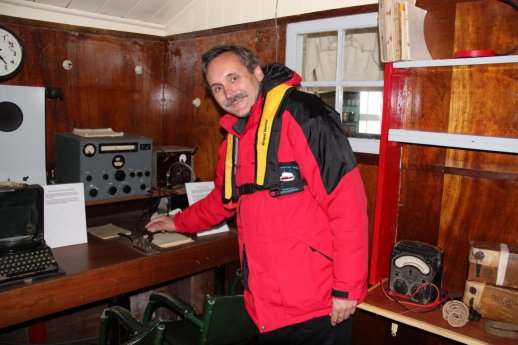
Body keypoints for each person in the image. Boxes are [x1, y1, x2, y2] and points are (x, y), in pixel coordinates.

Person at [146, 45, 368, 345]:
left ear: (257, 72)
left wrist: (347, 288)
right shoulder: (235, 138)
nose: (228, 93)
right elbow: (220, 201)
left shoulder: (304, 114)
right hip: (266, 306)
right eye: (218, 87)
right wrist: (176, 222)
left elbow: (348, 205)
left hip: (318, 304)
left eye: (233, 78)